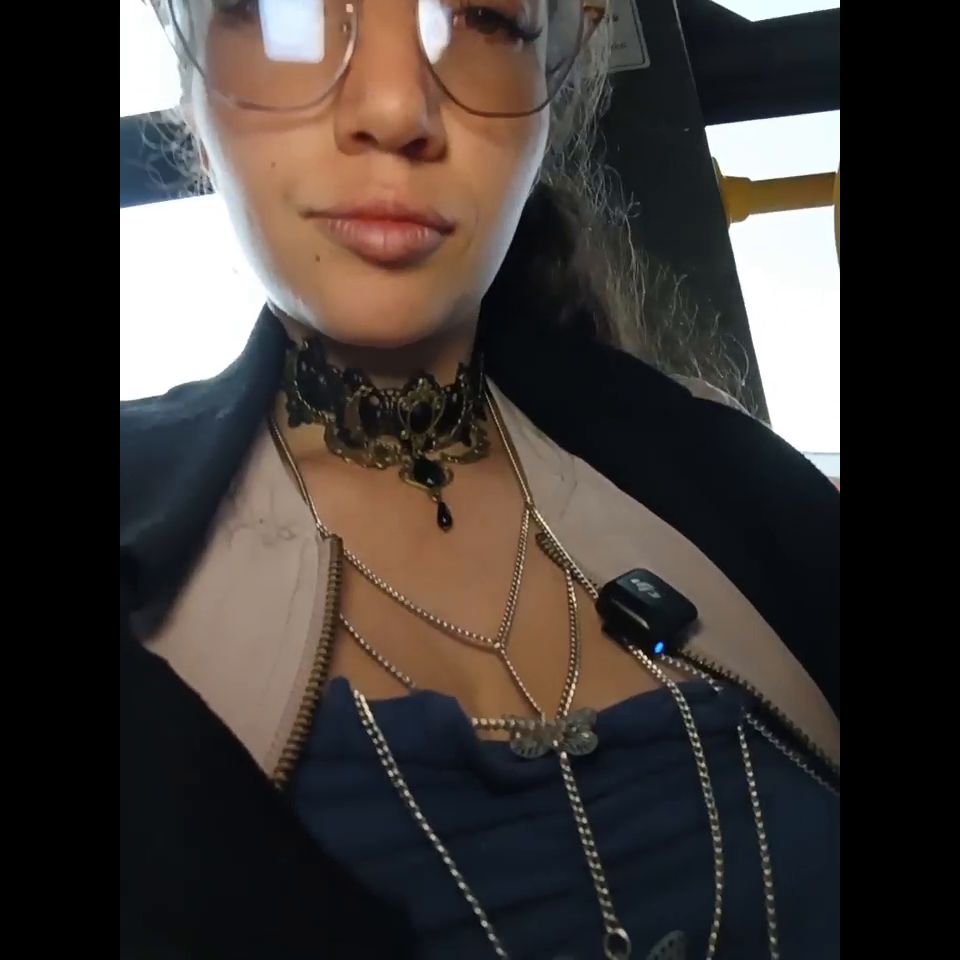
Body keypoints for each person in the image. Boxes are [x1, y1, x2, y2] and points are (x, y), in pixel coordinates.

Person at [120, 2, 840, 958]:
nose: (394, 106)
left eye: (486, 16)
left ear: (556, 78)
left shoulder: (738, 478)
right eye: (289, 7)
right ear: (190, 86)